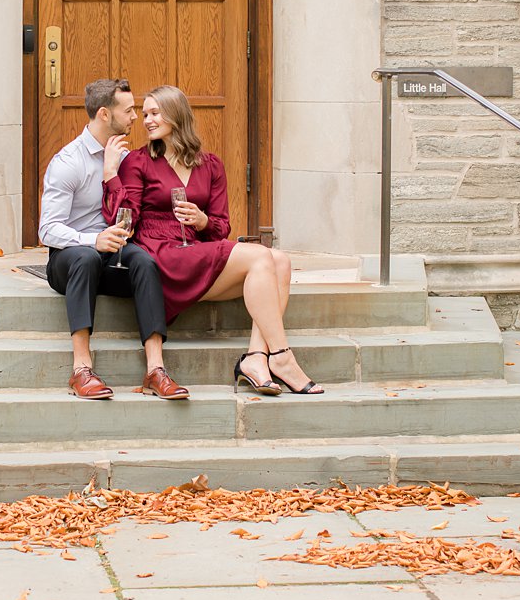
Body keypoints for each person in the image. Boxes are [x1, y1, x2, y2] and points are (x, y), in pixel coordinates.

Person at [104, 85, 323, 396]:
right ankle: (282, 356)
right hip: (160, 252)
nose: (147, 121)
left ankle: (257, 358)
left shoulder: (210, 165)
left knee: (280, 262)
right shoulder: (138, 162)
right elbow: (125, 222)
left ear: (176, 116)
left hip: (195, 248)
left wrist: (202, 220)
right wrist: (111, 173)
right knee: (262, 257)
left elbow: (220, 229)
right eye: (144, 115)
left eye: (154, 113)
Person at [39, 78, 189, 401]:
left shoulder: (126, 158)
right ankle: (81, 368)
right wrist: (93, 240)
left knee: (145, 262)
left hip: (111, 256)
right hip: (69, 259)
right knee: (85, 257)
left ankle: (155, 369)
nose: (137, 117)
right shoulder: (68, 162)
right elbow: (47, 230)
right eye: (130, 110)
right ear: (105, 115)